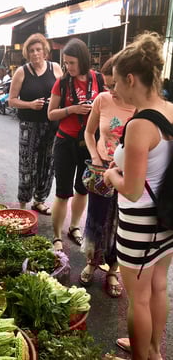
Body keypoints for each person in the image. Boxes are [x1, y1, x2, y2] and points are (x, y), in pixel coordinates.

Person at [104, 32, 173, 360]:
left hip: (140, 225)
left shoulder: (140, 125)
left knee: (139, 299)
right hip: (167, 219)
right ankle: (154, 351)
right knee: (159, 287)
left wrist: (109, 174)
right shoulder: (171, 110)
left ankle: (142, 355)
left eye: (116, 82)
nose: (114, 89)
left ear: (131, 79)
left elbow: (131, 189)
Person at [79, 57, 135, 298]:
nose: (110, 91)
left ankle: (113, 269)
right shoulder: (102, 100)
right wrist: (95, 157)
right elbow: (89, 132)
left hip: (129, 175)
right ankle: (92, 262)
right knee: (96, 220)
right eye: (107, 85)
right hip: (101, 172)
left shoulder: (140, 107)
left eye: (114, 85)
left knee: (120, 224)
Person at [47, 38, 103, 251]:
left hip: (89, 142)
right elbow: (51, 114)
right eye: (65, 63)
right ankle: (56, 236)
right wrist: (72, 109)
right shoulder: (61, 82)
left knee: (82, 189)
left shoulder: (97, 79)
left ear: (83, 60)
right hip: (65, 141)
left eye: (72, 63)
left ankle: (73, 227)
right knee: (62, 191)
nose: (68, 67)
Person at [9, 33, 62, 217]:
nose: (35, 53)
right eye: (31, 50)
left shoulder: (55, 68)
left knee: (47, 164)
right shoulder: (22, 71)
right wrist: (30, 105)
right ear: (27, 53)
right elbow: (12, 100)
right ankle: (23, 204)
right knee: (27, 164)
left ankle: (39, 200)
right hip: (29, 126)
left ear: (45, 51)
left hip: (51, 124)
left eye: (38, 49)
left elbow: (63, 94)